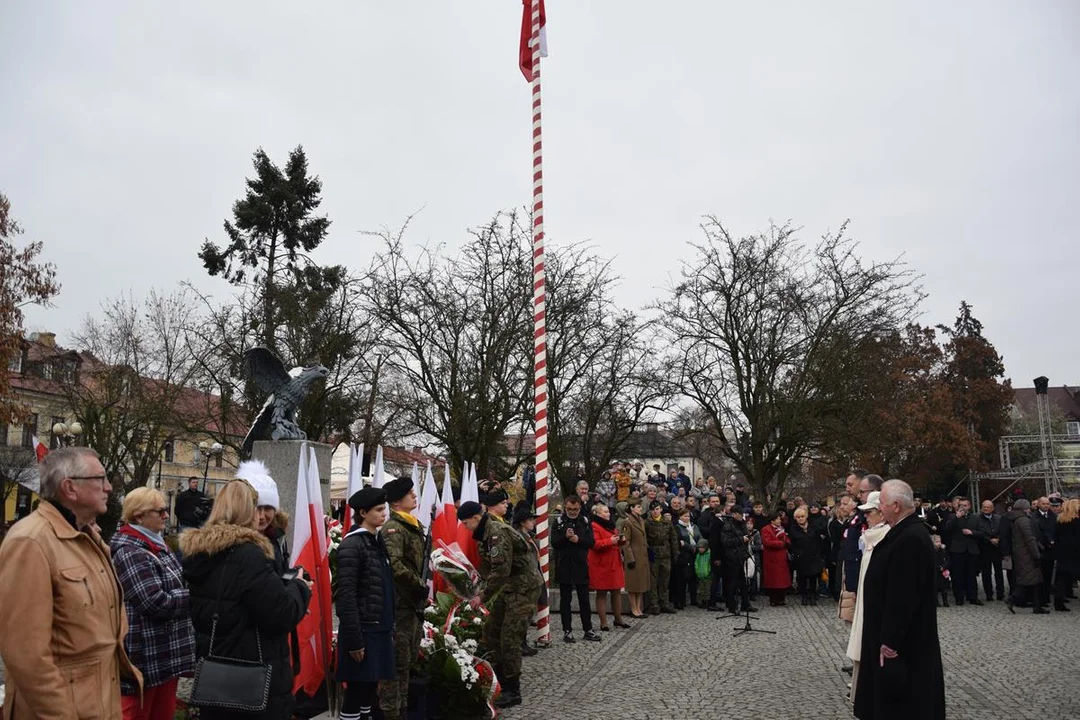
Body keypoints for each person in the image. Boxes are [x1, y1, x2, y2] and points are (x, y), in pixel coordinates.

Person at [0, 447, 143, 719]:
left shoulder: (86, 536)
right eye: (100, 478)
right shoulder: (31, 542)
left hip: (96, 704)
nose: (109, 487)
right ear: (70, 488)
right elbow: (26, 655)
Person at [180, 479, 312, 720]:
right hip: (253, 676)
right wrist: (299, 586)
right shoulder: (248, 554)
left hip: (216, 675)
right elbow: (282, 614)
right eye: (255, 506)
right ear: (246, 510)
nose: (259, 515)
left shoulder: (199, 552)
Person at [854, 479, 945, 720]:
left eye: (881, 504)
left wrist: (890, 641)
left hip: (903, 646)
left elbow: (903, 595)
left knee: (903, 704)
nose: (878, 508)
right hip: (889, 637)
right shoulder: (902, 532)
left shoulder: (911, 537)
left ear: (895, 505)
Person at [111, 487, 195, 720]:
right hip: (144, 656)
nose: (166, 515)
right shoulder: (130, 551)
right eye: (159, 511)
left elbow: (176, 584)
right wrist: (194, 596)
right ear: (138, 516)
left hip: (164, 654)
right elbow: (155, 601)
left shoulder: (155, 544)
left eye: (166, 510)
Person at [460, 500, 543, 709]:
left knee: (510, 637)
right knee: (491, 632)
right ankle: (498, 680)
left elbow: (501, 570)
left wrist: (482, 596)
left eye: (466, 522)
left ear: (477, 518)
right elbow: (488, 569)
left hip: (523, 588)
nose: (465, 527)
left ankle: (512, 690)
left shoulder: (496, 532)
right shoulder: (484, 535)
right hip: (507, 588)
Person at [336, 486, 396, 720]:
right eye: (379, 510)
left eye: (385, 509)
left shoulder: (374, 541)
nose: (384, 514)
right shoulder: (352, 545)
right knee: (356, 691)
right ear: (362, 512)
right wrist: (354, 640)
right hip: (363, 630)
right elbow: (347, 596)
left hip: (378, 627)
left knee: (369, 690)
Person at [379, 477, 427, 720]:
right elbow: (395, 566)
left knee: (406, 664)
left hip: (412, 605)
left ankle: (403, 711)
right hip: (400, 606)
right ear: (397, 501)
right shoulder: (393, 529)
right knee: (395, 667)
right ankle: (391, 713)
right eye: (410, 494)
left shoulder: (412, 525)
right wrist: (419, 585)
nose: (414, 497)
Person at [845, 491, 889, 707]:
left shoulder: (885, 537)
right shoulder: (872, 535)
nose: (866, 517)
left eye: (870, 513)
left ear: (882, 513)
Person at [552, 494, 599, 642]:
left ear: (579, 507)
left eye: (575, 509)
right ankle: (567, 630)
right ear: (565, 507)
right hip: (564, 565)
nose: (572, 512)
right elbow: (554, 543)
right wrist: (565, 537)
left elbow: (591, 542)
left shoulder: (584, 521)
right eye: (570, 509)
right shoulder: (559, 521)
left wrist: (578, 540)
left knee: (584, 599)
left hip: (580, 564)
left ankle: (588, 629)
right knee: (565, 599)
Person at [238, 459, 290, 573]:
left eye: (267, 508)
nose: (261, 516)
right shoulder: (237, 544)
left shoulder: (278, 535)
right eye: (256, 508)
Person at [589, 502, 630, 630]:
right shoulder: (594, 526)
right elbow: (594, 544)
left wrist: (620, 541)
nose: (608, 514)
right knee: (601, 593)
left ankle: (618, 619)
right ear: (597, 513)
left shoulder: (611, 526)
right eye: (605, 512)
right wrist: (610, 541)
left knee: (616, 591)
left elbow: (615, 541)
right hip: (601, 564)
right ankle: (603, 622)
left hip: (614, 563)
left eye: (608, 512)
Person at [512, 505, 545, 655]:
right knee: (522, 614)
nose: (533, 522)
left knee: (528, 614)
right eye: (530, 519)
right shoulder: (518, 537)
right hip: (523, 580)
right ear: (522, 522)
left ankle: (523, 642)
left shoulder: (529, 536)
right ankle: (520, 643)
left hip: (531, 578)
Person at [1005, 499, 1048, 615]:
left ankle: (1037, 605)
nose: (1029, 509)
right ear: (1024, 508)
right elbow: (1030, 539)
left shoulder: (1017, 519)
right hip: (1027, 554)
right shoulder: (1023, 520)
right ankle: (1012, 598)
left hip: (1022, 553)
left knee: (1034, 580)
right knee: (1028, 580)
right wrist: (1036, 554)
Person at [943, 498, 985, 606]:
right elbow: (946, 529)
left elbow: (982, 533)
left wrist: (972, 532)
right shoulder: (953, 517)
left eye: (965, 505)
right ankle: (959, 598)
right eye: (961, 505)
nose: (963, 508)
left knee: (971, 575)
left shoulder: (975, 518)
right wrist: (957, 517)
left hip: (971, 550)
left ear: (969, 506)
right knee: (958, 575)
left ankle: (973, 597)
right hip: (957, 550)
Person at [719, 506, 758, 613]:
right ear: (733, 514)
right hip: (732, 558)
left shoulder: (742, 524)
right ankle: (732, 606)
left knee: (744, 582)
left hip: (742, 556)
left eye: (741, 513)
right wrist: (741, 539)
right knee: (732, 583)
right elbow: (726, 542)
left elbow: (744, 536)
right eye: (738, 513)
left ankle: (745, 604)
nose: (741, 516)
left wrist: (749, 538)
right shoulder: (728, 525)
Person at [645, 500, 678, 614]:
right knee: (653, 580)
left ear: (661, 510)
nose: (655, 511)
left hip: (666, 554)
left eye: (657, 509)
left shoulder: (667, 522)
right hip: (653, 553)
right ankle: (654, 604)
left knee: (664, 580)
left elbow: (673, 539)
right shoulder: (647, 523)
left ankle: (664, 602)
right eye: (653, 509)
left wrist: (675, 553)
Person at [788, 506, 827, 605]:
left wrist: (819, 553)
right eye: (798, 517)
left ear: (806, 517)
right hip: (801, 557)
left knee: (813, 577)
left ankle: (813, 596)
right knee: (803, 578)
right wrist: (797, 553)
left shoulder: (813, 527)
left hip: (813, 556)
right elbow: (791, 544)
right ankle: (804, 596)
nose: (800, 518)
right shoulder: (793, 529)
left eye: (802, 516)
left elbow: (819, 541)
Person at [621, 498, 651, 618]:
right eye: (638, 507)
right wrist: (630, 558)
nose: (640, 508)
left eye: (640, 507)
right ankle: (634, 609)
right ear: (632, 508)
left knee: (640, 585)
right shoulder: (627, 522)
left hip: (642, 555)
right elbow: (625, 542)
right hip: (634, 556)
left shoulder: (641, 520)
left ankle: (639, 608)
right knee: (633, 585)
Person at [974, 499, 1005, 601]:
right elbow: (978, 533)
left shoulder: (999, 518)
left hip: (997, 548)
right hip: (985, 548)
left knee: (999, 572)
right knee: (986, 573)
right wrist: (989, 540)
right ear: (982, 508)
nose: (986, 509)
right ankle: (989, 594)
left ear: (992, 508)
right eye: (984, 507)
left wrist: (998, 539)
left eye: (988, 507)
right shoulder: (977, 519)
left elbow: (1003, 531)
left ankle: (1001, 593)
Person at [1052, 498, 1079, 612]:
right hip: (1076, 552)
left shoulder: (1060, 520)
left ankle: (1058, 602)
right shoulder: (1077, 522)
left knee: (1061, 579)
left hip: (1063, 553)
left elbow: (1056, 537)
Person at [760, 511, 791, 606]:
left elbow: (787, 539)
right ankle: (773, 599)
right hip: (771, 558)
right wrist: (781, 543)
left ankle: (781, 598)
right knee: (773, 579)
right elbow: (767, 542)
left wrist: (786, 541)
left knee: (782, 579)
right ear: (772, 520)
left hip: (781, 557)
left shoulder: (781, 528)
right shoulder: (766, 529)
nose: (779, 521)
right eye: (778, 519)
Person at [674, 507, 702, 609]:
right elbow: (680, 542)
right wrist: (690, 547)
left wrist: (698, 547)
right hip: (683, 556)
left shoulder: (694, 526)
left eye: (688, 516)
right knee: (682, 580)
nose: (687, 518)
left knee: (693, 579)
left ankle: (694, 600)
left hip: (695, 555)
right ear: (680, 517)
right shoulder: (677, 527)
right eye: (685, 516)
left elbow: (700, 538)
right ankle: (680, 601)